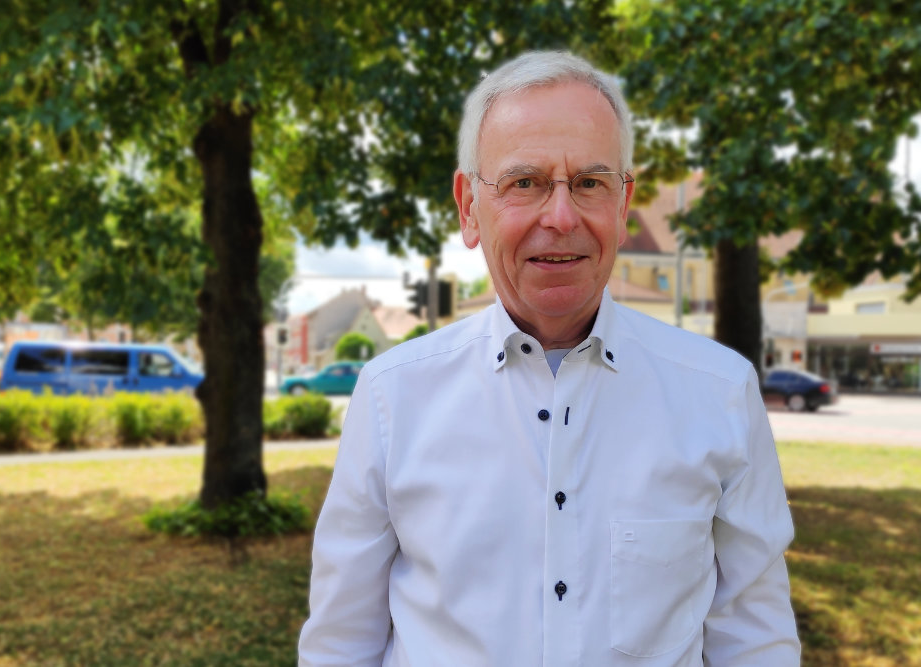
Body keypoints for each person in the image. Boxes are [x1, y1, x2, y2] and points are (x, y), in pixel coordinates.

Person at [298, 51, 800, 666]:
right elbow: (341, 645)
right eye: (525, 182)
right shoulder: (392, 397)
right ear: (468, 206)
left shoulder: (718, 393)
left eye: (589, 183)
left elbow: (756, 641)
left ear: (623, 204)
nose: (560, 217)